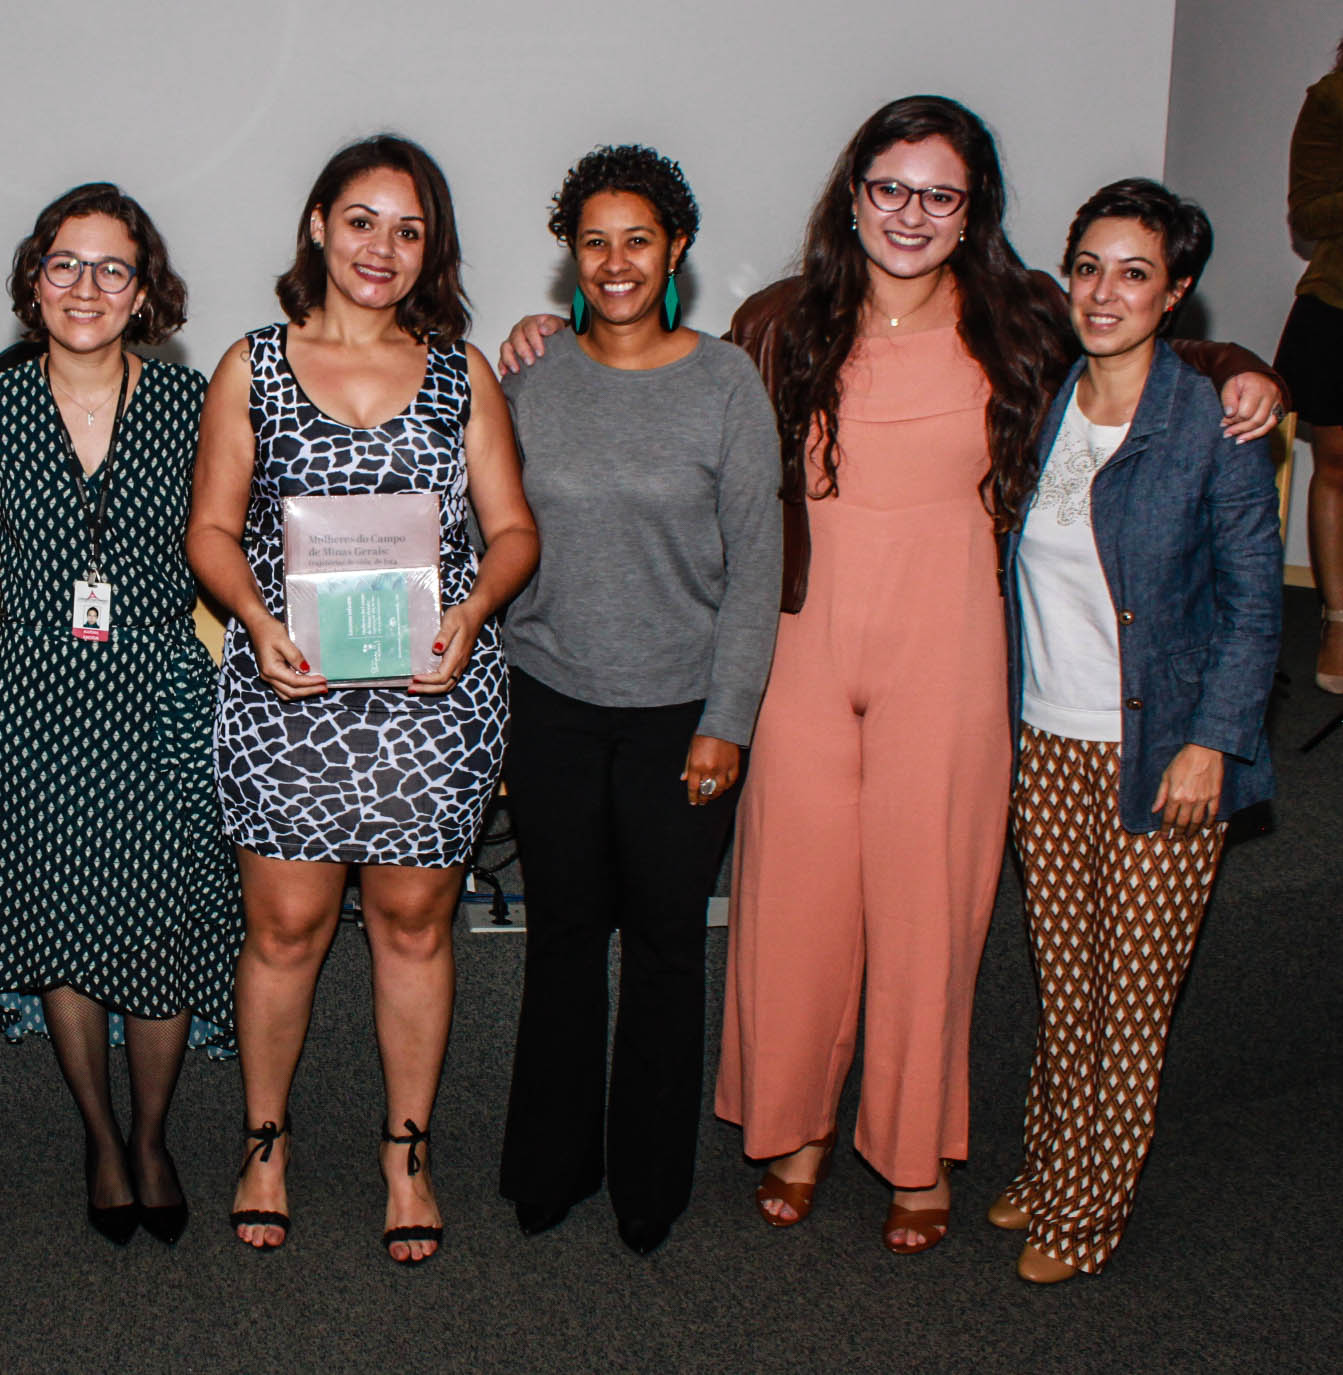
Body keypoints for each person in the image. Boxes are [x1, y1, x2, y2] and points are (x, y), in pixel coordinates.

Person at [501, 94, 1281, 1254]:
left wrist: (1245, 370)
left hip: (951, 657)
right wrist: (538, 332)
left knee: (928, 914)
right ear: (851, 195)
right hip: (802, 654)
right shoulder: (780, 321)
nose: (909, 213)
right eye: (888, 188)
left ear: (972, 212)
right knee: (794, 906)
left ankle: (911, 1150)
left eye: (939, 193)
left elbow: (1143, 345)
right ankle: (796, 1127)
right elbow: (643, 365)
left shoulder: (1022, 319)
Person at [187, 134, 538, 1263]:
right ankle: (262, 1144)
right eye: (360, 220)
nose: (379, 247)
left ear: (428, 248)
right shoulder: (254, 364)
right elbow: (209, 530)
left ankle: (406, 1154)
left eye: (408, 228)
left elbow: (513, 531)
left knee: (411, 925)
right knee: (283, 931)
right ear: (316, 225)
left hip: (429, 698)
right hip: (289, 687)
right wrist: (255, 619)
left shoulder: (459, 370)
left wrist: (471, 613)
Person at [0, 183, 242, 1249]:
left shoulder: (191, 402)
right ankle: (98, 1139)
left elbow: (256, 515)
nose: (86, 286)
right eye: (65, 263)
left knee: (154, 933)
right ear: (33, 279)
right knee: (64, 928)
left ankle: (150, 1135)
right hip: (33, 695)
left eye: (112, 267)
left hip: (157, 691)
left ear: (144, 289)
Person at [493, 147, 781, 1257]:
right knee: (564, 936)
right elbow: (485, 526)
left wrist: (728, 719)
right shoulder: (529, 377)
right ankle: (549, 1163)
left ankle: (649, 1181)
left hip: (679, 715)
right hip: (552, 696)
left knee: (664, 944)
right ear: (572, 250)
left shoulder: (723, 385)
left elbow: (756, 567)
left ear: (675, 253)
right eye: (594, 240)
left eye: (638, 241)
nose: (615, 263)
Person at [995, 180, 1281, 1283]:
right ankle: (1049, 1162)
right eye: (1087, 267)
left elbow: (1256, 602)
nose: (1103, 292)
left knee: (1132, 1001)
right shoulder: (1043, 397)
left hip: (1164, 753)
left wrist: (1213, 738)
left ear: (1174, 293)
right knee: (1063, 979)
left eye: (1131, 272)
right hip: (1042, 741)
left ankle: (1089, 1211)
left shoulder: (1211, 421)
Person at [1275, 34, 1343, 690]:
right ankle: (1338, 621)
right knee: (1337, 469)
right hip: (1338, 305)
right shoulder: (1330, 101)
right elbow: (1309, 212)